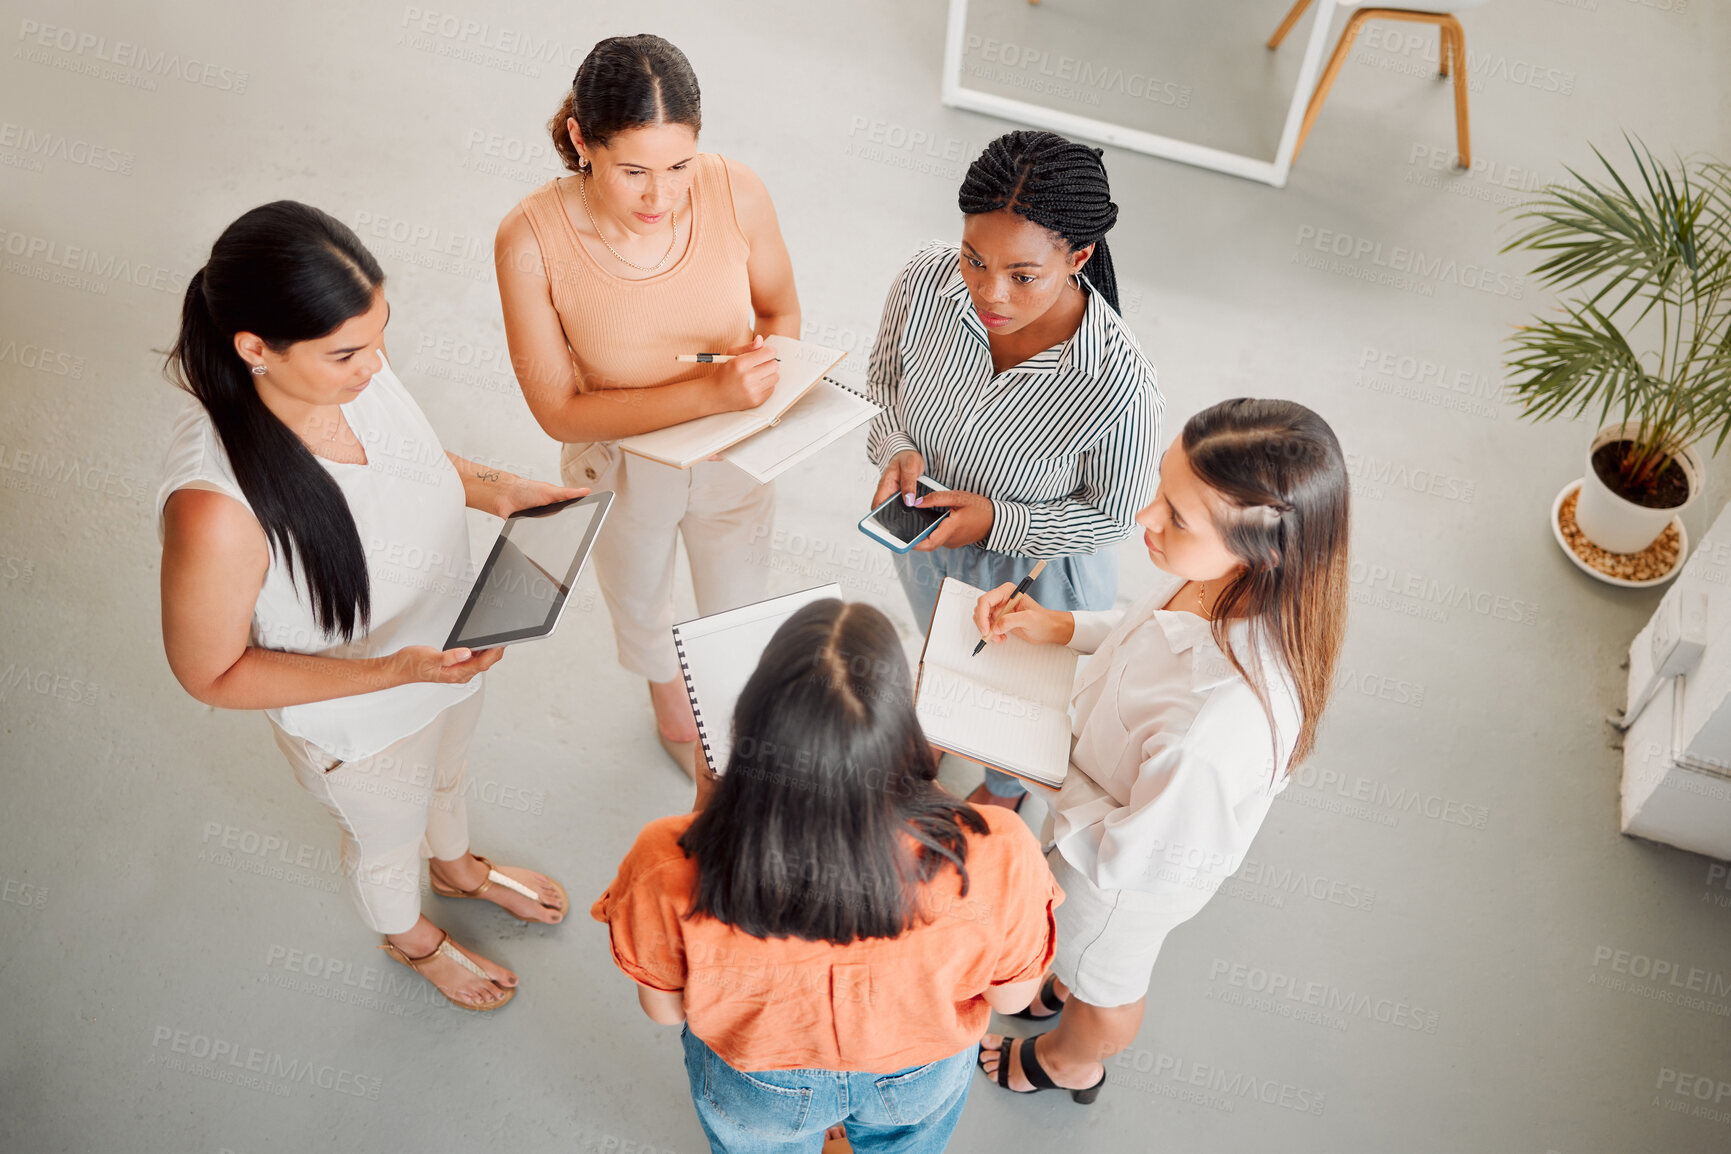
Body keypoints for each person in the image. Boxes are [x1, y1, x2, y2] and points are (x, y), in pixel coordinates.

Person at [158, 201, 584, 1011]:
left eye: (380, 335)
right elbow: (209, 673)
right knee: (387, 840)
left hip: (448, 650)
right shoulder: (216, 507)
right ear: (256, 349)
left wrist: (501, 491)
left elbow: (408, 459)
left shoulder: (349, 369)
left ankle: (457, 869)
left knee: (450, 773)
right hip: (361, 719)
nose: (376, 365)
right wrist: (394, 672)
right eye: (349, 351)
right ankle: (410, 937)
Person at [970, 399, 1349, 1103]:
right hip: (1096, 807)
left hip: (1121, 878)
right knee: (1069, 952)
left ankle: (1070, 1063)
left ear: (1259, 549)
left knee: (1103, 978)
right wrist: (1062, 626)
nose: (1144, 519)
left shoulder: (1216, 726)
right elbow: (1143, 627)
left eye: (1175, 517)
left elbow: (1138, 859)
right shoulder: (1222, 577)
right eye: (1159, 491)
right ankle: (1056, 983)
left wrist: (1042, 770)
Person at [592, 600, 1065, 1152]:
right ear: (903, 725)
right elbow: (1010, 1002)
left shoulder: (665, 861)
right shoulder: (1000, 848)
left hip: (759, 1083)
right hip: (916, 1072)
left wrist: (706, 809)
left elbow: (664, 1008)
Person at [497, 33, 801, 787]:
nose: (660, 199)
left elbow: (780, 310)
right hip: (622, 465)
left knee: (735, 607)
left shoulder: (739, 191)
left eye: (678, 167)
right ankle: (670, 707)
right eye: (633, 171)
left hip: (734, 454)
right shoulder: (528, 239)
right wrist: (708, 393)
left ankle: (725, 716)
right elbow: (560, 412)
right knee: (638, 602)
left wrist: (765, 373)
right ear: (580, 139)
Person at [865, 129, 1162, 813]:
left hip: (1039, 581)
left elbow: (1113, 514)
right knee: (943, 655)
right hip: (928, 543)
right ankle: (935, 730)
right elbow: (881, 385)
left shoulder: (1115, 383)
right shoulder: (922, 280)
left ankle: (1001, 798)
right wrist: (897, 447)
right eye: (973, 260)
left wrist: (1000, 519)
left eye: (1021, 276)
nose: (987, 293)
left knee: (1014, 713)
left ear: (1078, 256)